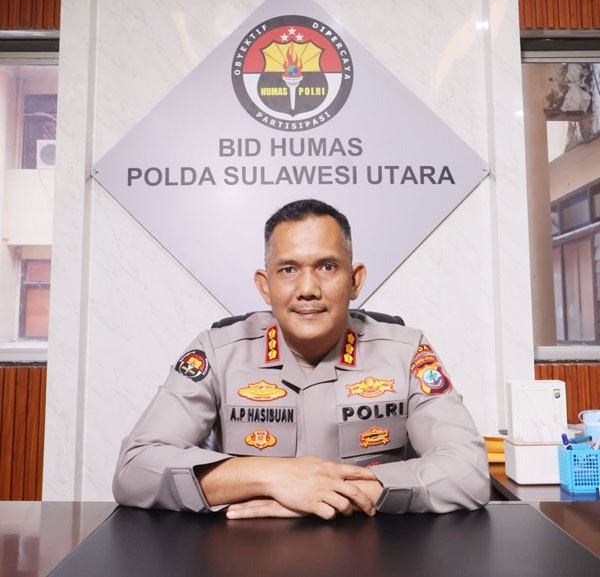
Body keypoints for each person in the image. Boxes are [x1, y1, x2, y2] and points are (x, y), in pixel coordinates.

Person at [113, 199, 489, 519]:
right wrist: (272, 477)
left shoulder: (406, 352)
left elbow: (468, 470)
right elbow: (134, 469)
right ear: (265, 285)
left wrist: (337, 494)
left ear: (355, 280)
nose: (308, 289)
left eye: (327, 267)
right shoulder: (217, 352)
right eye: (289, 270)